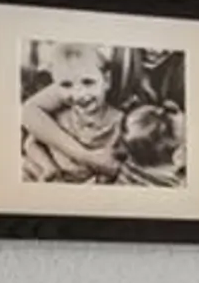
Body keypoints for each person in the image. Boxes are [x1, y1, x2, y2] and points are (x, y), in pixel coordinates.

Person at [19, 45, 128, 183]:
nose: (78, 94)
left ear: (106, 81)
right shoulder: (60, 116)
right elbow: (31, 144)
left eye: (88, 82)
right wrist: (48, 167)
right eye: (66, 85)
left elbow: (116, 164)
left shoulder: (119, 123)